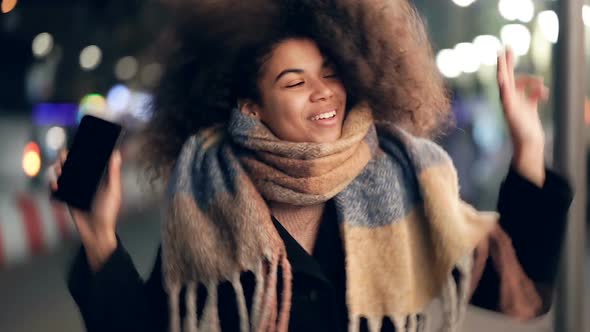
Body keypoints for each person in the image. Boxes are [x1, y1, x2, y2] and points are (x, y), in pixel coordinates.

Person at [51, 1, 573, 331]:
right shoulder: (206, 201)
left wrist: (527, 144)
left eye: (330, 73)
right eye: (294, 82)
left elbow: (521, 289)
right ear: (250, 107)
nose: (323, 93)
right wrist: (99, 240)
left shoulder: (407, 181)